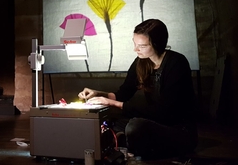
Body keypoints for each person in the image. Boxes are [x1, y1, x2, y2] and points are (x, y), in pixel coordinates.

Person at [78, 19, 198, 160]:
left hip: (178, 129)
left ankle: (129, 144)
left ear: (157, 44)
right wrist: (98, 94)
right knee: (112, 123)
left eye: (142, 45)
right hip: (155, 122)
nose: (136, 49)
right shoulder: (141, 62)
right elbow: (123, 94)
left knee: (136, 126)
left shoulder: (177, 63)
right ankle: (126, 142)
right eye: (135, 44)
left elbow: (165, 112)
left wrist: (115, 104)